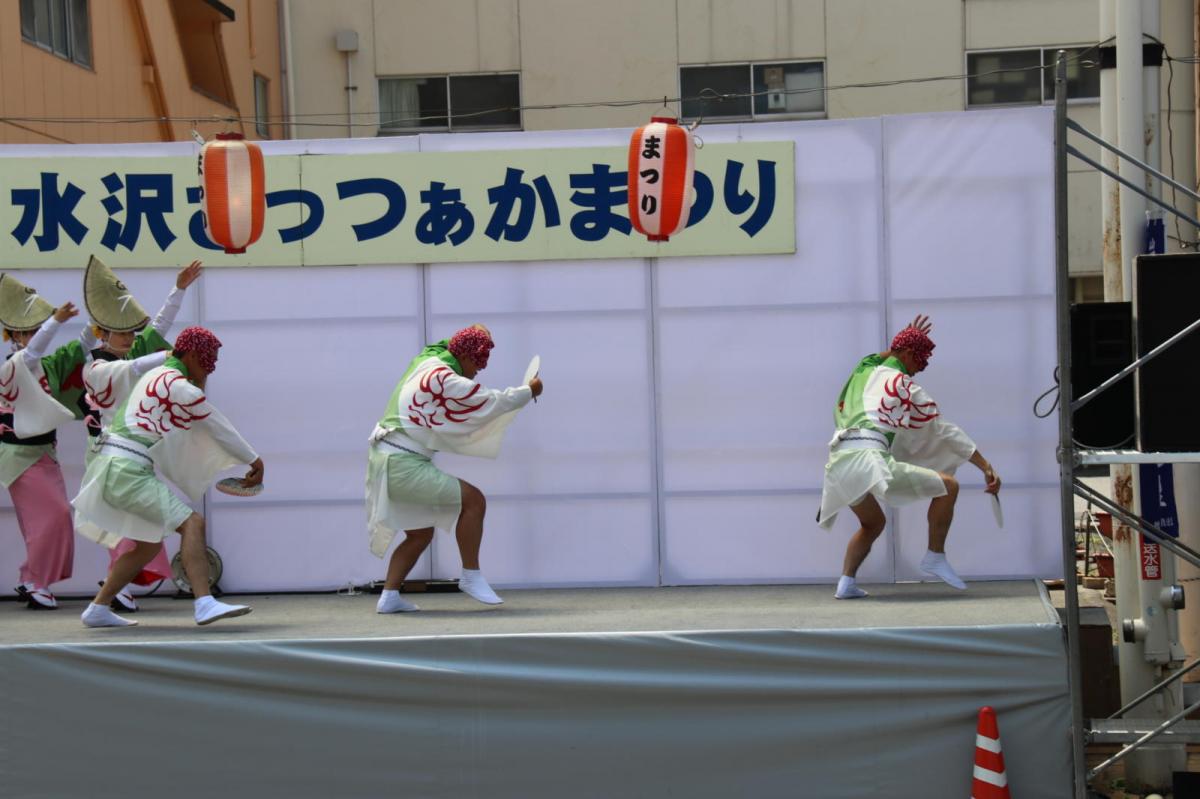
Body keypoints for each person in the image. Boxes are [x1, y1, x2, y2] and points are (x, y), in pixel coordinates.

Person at [73, 326, 264, 627]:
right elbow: (214, 424)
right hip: (126, 469)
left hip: (120, 466)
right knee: (193, 523)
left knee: (147, 545)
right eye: (206, 361)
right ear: (189, 354)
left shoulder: (156, 375)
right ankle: (203, 602)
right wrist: (254, 460)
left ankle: (98, 608)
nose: (209, 369)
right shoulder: (177, 385)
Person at [817, 316, 1001, 599]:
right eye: (919, 358)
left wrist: (905, 338)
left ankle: (846, 583)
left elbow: (883, 355)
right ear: (905, 354)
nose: (922, 366)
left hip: (839, 463)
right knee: (949, 486)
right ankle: (935, 555)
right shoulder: (903, 386)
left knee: (873, 523)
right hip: (868, 459)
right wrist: (985, 466)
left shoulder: (865, 370)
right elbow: (944, 430)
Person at [366, 324, 542, 613]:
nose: (477, 372)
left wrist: (479, 331)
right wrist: (529, 390)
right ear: (469, 358)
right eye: (478, 364)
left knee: (420, 534)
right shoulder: (443, 378)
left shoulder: (428, 358)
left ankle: (389, 597)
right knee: (474, 500)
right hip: (401, 464)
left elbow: (446, 343)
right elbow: (489, 400)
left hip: (390, 460)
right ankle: (471, 575)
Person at [78, 257, 202, 612]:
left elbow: (157, 326)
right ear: (103, 333)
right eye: (125, 332)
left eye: (133, 333)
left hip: (133, 453)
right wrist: (171, 353)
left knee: (143, 532)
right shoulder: (96, 368)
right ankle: (113, 592)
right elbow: (132, 365)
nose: (132, 338)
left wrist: (178, 289)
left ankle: (108, 596)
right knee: (124, 527)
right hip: (107, 454)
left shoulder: (128, 356)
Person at [0, 273, 92, 609]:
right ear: (13, 335)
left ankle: (30, 578)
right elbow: (31, 354)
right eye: (26, 331)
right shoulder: (14, 365)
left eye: (35, 329)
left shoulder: (48, 365)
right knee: (49, 516)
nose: (33, 336)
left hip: (44, 453)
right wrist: (54, 320)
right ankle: (37, 581)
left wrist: (94, 328)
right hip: (19, 455)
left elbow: (78, 351)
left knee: (47, 519)